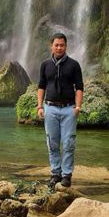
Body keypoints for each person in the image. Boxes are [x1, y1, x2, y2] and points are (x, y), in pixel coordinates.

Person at [37, 33, 83, 188]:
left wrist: (77, 106)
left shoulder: (74, 65)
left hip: (69, 109)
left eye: (62, 45)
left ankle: (67, 175)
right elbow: (41, 86)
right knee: (52, 143)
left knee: (69, 143)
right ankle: (55, 173)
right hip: (50, 108)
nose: (59, 47)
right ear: (51, 46)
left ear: (66, 46)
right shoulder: (45, 65)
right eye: (56, 45)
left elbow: (79, 87)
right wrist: (40, 106)